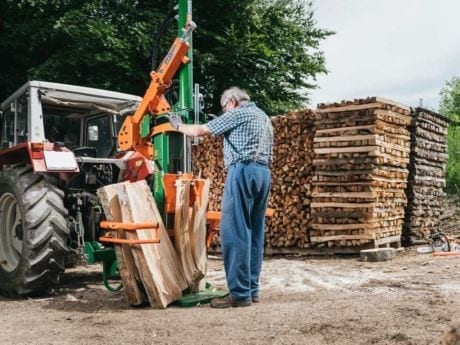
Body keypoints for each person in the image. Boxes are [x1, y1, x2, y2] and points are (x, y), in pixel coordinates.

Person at [169, 86, 274, 308]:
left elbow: (198, 131)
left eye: (224, 108)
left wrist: (177, 125)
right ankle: (251, 290)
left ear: (232, 102)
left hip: (243, 171)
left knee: (235, 232)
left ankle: (239, 294)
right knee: (254, 233)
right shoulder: (263, 116)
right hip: (263, 174)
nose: (225, 112)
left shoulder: (238, 113)